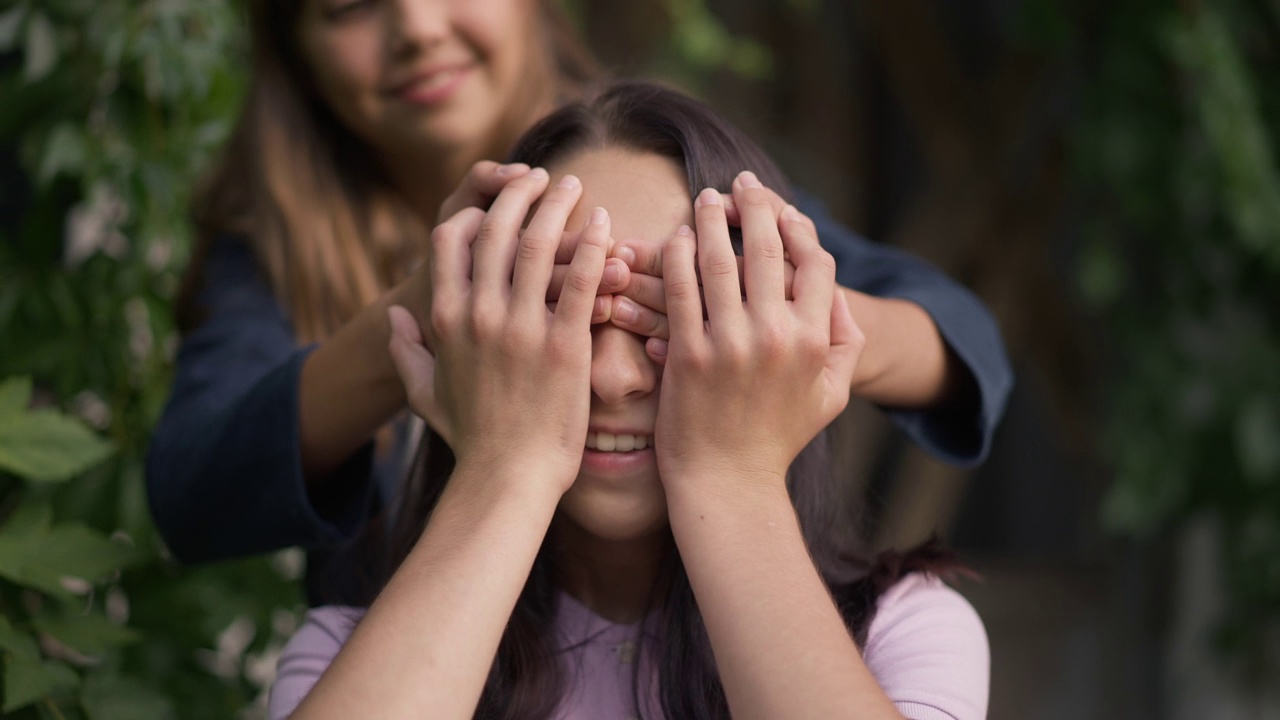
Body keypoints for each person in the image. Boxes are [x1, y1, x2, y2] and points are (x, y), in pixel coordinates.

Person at [146, 0, 1012, 607]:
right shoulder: (269, 253)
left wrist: (782, 315)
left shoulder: (663, 167)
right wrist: (423, 317)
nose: (415, 26)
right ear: (293, 49)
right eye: (346, 5)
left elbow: (964, 343)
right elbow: (192, 491)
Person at [267, 80, 989, 720]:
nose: (613, 378)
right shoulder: (345, 653)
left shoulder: (902, 632)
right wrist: (504, 467)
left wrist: (730, 481)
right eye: (559, 311)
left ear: (773, 343)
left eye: (678, 316)